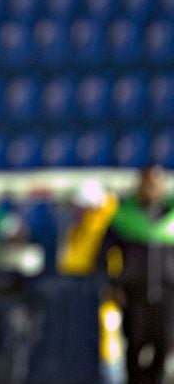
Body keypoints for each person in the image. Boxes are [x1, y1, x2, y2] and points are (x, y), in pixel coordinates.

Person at [104, 164, 174, 384]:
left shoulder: (170, 219)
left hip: (167, 292)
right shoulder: (124, 217)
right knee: (134, 344)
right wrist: (113, 284)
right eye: (147, 184)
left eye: (156, 184)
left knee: (164, 344)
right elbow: (105, 253)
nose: (151, 189)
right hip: (134, 292)